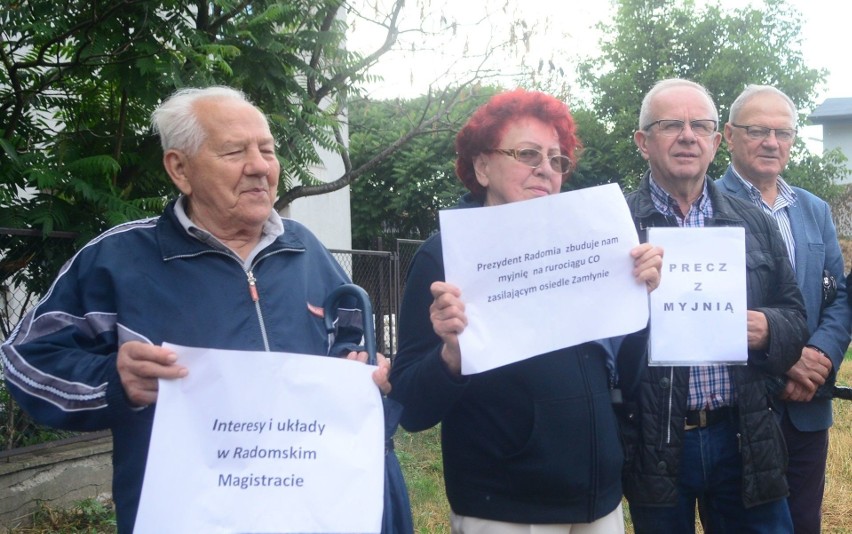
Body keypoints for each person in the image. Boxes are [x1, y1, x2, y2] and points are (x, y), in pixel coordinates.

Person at [0, 86, 411, 534]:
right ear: (180, 168)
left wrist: (358, 370)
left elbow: (352, 342)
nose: (259, 167)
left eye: (267, 150)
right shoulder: (117, 261)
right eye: (235, 152)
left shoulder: (307, 250)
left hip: (314, 510)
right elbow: (28, 362)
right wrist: (113, 383)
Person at [389, 88, 664, 533]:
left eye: (556, 159)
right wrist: (452, 357)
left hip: (598, 502)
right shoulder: (444, 258)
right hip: (506, 508)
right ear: (481, 166)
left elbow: (625, 380)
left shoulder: (589, 247)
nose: (546, 169)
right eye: (527, 153)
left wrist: (640, 306)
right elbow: (413, 407)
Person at [618, 78, 809, 533]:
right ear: (643, 142)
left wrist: (769, 329)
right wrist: (629, 297)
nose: (687, 135)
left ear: (716, 141)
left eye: (699, 125)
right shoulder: (618, 227)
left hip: (743, 437)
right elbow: (592, 341)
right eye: (670, 125)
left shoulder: (753, 221)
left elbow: (796, 314)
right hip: (656, 441)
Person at [716, 84, 851, 534]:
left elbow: (840, 296)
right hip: (739, 408)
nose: (771, 142)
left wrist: (823, 356)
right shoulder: (704, 210)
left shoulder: (813, 210)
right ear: (730, 136)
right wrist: (789, 360)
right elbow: (709, 312)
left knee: (804, 524)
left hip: (807, 406)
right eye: (757, 130)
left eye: (783, 133)